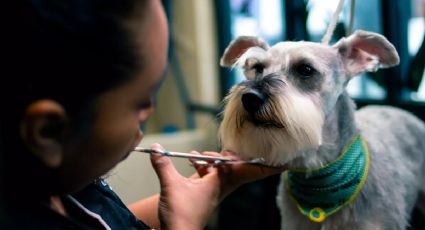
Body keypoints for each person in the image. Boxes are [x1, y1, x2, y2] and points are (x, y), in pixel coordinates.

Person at [1, 0, 286, 229]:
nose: (149, 111)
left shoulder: (61, 183)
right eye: (141, 101)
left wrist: (217, 185)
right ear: (49, 132)